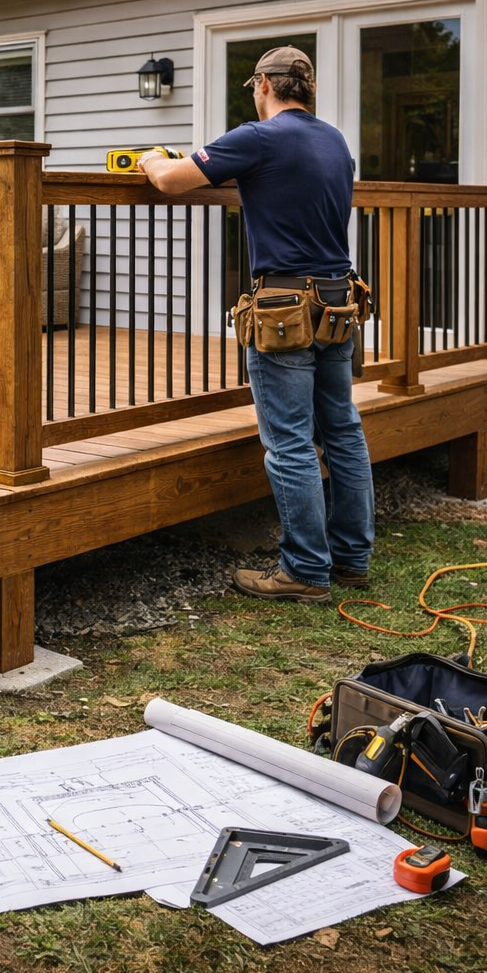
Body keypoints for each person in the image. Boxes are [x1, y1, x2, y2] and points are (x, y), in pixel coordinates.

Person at [138, 46, 374, 605]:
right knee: (341, 429)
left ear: (265, 84)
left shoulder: (258, 137)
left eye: (253, 85)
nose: (254, 93)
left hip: (285, 309)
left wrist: (150, 158)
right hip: (338, 301)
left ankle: (305, 571)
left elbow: (172, 180)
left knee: (290, 440)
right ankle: (351, 559)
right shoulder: (334, 140)